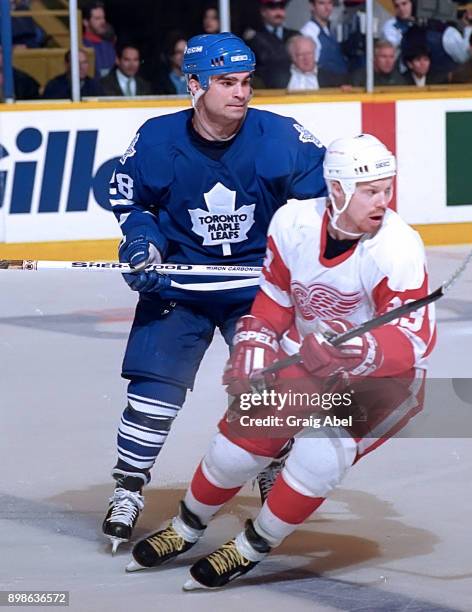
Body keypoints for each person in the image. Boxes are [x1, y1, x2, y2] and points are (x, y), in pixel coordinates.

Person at [126, 134, 436, 590]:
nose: (383, 201)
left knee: (317, 455)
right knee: (236, 447)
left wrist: (356, 351)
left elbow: (417, 339)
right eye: (371, 190)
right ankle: (187, 526)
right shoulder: (293, 223)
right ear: (337, 190)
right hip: (311, 360)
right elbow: (274, 297)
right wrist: (256, 338)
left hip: (382, 379)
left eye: (387, 189)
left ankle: (252, 544)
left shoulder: (398, 247)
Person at [102, 32, 328, 553]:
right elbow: (135, 205)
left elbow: (317, 211)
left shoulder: (281, 138)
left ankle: (272, 464)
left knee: (266, 387)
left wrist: (298, 266)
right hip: (180, 283)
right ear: (195, 85)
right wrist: (142, 247)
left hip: (256, 287)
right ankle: (129, 487)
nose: (242, 93)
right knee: (153, 391)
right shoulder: (158, 140)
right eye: (227, 82)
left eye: (246, 82)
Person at [245, 0, 299, 89]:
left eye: (281, 6)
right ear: (263, 11)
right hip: (267, 92)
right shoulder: (254, 39)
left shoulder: (294, 35)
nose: (278, 12)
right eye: (272, 7)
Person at [300, 0, 349, 86]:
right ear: (312, 6)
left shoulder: (329, 29)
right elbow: (312, 67)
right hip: (325, 87)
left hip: (340, 84)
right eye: (321, 3)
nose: (327, 8)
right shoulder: (309, 32)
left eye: (330, 3)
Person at [82, 0, 115, 78]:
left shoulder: (109, 45)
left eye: (103, 18)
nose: (103, 21)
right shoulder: (81, 46)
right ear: (86, 22)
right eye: (97, 18)